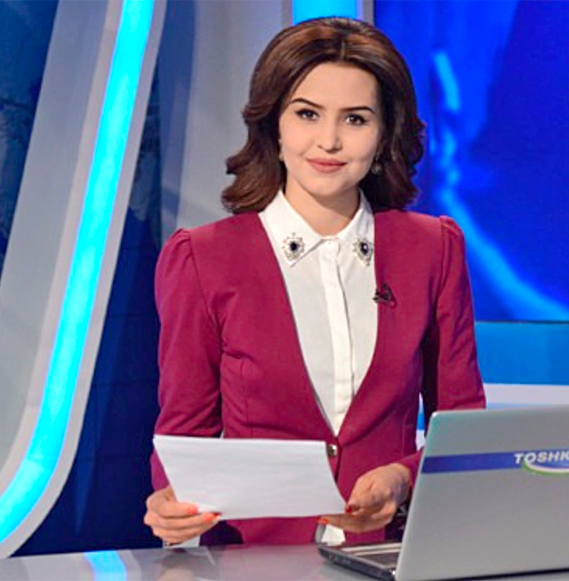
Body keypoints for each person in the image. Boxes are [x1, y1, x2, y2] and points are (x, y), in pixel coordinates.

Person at [142, 17, 485, 547]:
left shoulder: (433, 248)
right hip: (252, 559)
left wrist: (404, 478)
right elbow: (184, 435)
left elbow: (461, 425)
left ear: (384, 135)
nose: (329, 140)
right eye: (307, 114)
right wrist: (172, 503)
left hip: (389, 554)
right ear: (274, 126)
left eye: (355, 119)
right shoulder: (203, 258)